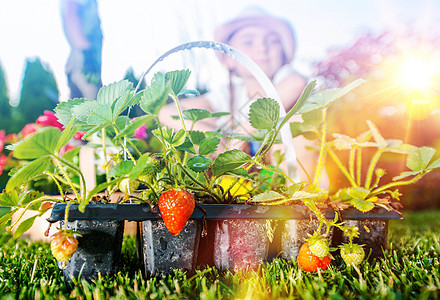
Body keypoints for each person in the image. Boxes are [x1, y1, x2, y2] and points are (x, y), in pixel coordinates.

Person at [159, 8, 319, 184]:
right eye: (248, 42)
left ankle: (298, 198)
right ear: (229, 60)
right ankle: (215, 190)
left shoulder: (283, 79)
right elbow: (167, 113)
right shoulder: (228, 93)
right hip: (245, 178)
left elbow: (296, 84)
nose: (262, 47)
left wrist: (241, 132)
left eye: (272, 41)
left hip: (290, 175)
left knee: (295, 124)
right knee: (195, 126)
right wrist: (209, 135)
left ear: (283, 55)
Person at [60, 0, 103, 99]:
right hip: (83, 61)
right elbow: (71, 13)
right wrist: (87, 52)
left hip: (86, 59)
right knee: (90, 107)